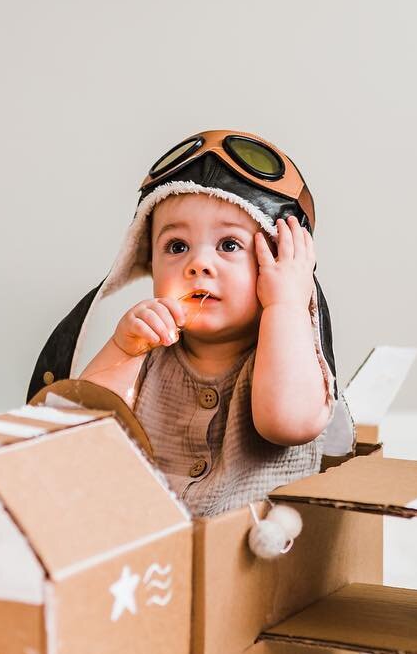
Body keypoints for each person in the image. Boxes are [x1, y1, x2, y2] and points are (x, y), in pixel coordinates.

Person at [27, 130, 355, 517]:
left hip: (251, 551)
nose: (197, 264)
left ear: (279, 261)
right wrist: (122, 351)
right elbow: (75, 434)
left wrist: (287, 304)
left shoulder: (289, 349)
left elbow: (286, 423)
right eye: (176, 246)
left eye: (229, 245)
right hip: (152, 541)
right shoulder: (150, 349)